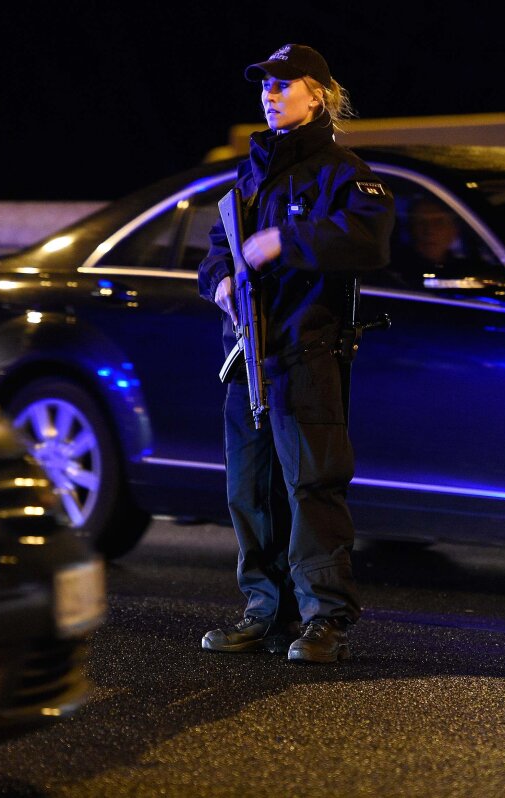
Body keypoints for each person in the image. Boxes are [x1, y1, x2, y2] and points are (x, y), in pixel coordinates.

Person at [196, 43, 395, 663]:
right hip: (249, 353)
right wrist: (220, 279)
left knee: (313, 485)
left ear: (320, 96)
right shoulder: (251, 171)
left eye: (286, 84)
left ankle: (324, 619)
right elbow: (216, 248)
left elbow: (369, 239)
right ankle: (263, 608)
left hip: (307, 354)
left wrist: (288, 239)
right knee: (249, 489)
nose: (271, 94)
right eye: (266, 85)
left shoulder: (343, 170)